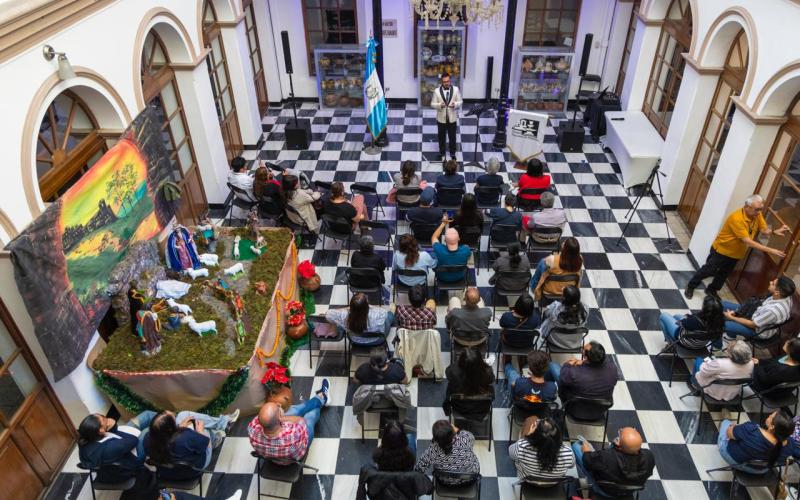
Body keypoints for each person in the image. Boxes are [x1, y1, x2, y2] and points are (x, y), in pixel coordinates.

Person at [685, 194, 789, 299]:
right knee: (709, 270)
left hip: (736, 253)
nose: (759, 212)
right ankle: (691, 285)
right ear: (747, 206)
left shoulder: (756, 214)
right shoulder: (737, 218)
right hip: (722, 251)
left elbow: (764, 230)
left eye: (761, 209)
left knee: (724, 273)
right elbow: (748, 241)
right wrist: (770, 250)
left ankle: (712, 290)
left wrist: (775, 231)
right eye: (757, 209)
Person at [248, 379, 330, 461]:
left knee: (296, 410)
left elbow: (263, 419)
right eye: (278, 407)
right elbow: (301, 420)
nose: (278, 405)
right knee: (310, 415)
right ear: (279, 418)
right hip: (293, 458)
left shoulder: (252, 429)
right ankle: (322, 397)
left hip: (273, 459)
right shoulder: (293, 434)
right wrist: (283, 418)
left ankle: (321, 398)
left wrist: (279, 417)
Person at [145, 409, 238, 478]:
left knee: (183, 415)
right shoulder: (186, 437)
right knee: (202, 426)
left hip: (168, 473)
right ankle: (217, 435)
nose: (174, 414)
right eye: (174, 417)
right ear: (170, 428)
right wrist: (200, 431)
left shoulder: (148, 439)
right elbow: (206, 443)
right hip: (194, 469)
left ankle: (224, 423)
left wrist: (179, 427)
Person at [77, 411, 159, 483]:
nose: (106, 418)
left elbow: (117, 439)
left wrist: (111, 429)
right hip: (133, 459)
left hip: (120, 444)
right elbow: (133, 440)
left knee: (147, 415)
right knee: (148, 430)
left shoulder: (87, 436)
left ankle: (168, 418)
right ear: (101, 430)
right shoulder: (107, 449)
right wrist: (113, 428)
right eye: (103, 419)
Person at [572, 427, 655, 496]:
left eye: (620, 434)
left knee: (576, 446)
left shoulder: (606, 457)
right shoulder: (649, 456)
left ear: (619, 445)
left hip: (603, 490)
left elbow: (587, 462)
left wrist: (586, 452)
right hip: (627, 492)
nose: (620, 430)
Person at [718, 410, 795, 473]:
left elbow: (728, 433)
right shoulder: (790, 445)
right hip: (761, 470)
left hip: (734, 460)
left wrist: (734, 428)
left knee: (727, 425)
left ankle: (725, 421)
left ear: (772, 427)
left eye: (771, 416)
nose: (769, 415)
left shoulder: (752, 430)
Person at [721, 276, 795, 339]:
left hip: (758, 331)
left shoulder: (773, 311)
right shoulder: (786, 296)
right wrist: (737, 311)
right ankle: (731, 334)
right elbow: (757, 304)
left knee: (724, 324)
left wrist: (732, 317)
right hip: (756, 314)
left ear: (777, 292)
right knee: (723, 304)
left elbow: (752, 324)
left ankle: (720, 345)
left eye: (773, 283)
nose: (770, 282)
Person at [415, 420, 480, 486]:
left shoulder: (433, 449)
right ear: (452, 431)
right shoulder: (465, 439)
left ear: (435, 438)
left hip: (445, 483)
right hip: (469, 480)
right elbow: (472, 438)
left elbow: (419, 468)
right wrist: (458, 431)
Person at [509, 416, 574, 480]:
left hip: (527, 480)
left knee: (532, 419)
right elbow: (571, 466)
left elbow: (511, 454)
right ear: (558, 435)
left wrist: (527, 436)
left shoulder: (522, 447)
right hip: (552, 484)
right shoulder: (568, 453)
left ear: (535, 435)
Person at [688, 340, 754, 401]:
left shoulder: (720, 363)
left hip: (712, 389)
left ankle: (694, 384)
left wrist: (706, 363)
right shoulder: (751, 363)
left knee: (699, 359)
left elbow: (703, 373)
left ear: (733, 355)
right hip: (731, 393)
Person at [443, 347, 495, 417]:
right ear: (480, 361)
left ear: (461, 361)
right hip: (481, 408)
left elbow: (448, 371)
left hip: (460, 408)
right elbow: (492, 379)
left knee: (450, 386)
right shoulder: (488, 373)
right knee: (490, 388)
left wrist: (460, 364)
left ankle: (447, 410)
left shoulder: (453, 373)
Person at [660, 294, 725, 349]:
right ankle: (671, 343)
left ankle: (671, 345)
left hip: (685, 341)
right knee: (676, 316)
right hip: (701, 344)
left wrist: (686, 318)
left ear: (705, 309)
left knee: (663, 316)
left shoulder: (696, 321)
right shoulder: (719, 321)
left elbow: (679, 323)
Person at [531, 237, 583, 301]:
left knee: (542, 262)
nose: (563, 243)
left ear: (565, 249)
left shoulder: (552, 259)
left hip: (549, 291)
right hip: (568, 291)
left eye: (565, 243)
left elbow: (546, 261)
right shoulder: (580, 260)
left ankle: (534, 286)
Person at [539, 285, 588, 350]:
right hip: (575, 343)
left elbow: (545, 313)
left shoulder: (555, 308)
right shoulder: (585, 310)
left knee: (546, 319)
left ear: (563, 298)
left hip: (555, 341)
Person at [325, 293, 395, 337]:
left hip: (356, 340)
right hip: (376, 340)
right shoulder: (378, 314)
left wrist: (349, 308)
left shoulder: (344, 315)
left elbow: (328, 314)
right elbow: (384, 312)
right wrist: (370, 306)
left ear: (351, 307)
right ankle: (392, 311)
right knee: (389, 315)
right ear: (366, 306)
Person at [446, 287, 492, 355]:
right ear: (479, 300)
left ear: (465, 299)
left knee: (454, 299)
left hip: (460, 340)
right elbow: (487, 324)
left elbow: (447, 321)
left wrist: (449, 328)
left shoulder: (455, 313)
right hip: (479, 340)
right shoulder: (487, 312)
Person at [430, 73, 462, 161]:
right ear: (442, 82)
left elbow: (460, 102)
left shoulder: (456, 90)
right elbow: (432, 104)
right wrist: (440, 105)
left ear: (450, 81)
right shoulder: (436, 91)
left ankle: (452, 153)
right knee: (441, 136)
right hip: (441, 118)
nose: (446, 83)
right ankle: (442, 152)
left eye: (448, 81)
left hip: (452, 118)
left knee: (452, 137)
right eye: (444, 82)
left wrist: (455, 104)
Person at [431, 217, 471, 282]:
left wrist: (443, 223)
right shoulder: (466, 250)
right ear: (459, 239)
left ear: (445, 240)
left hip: (442, 277)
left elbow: (434, 237)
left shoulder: (439, 249)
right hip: (459, 277)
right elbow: (468, 257)